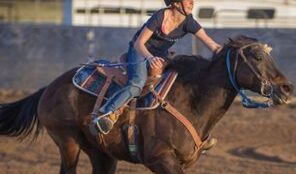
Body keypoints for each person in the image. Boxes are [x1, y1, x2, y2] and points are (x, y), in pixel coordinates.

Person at [95, 0, 222, 134]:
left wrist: (228, 52)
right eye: (188, 0)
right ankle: (106, 113)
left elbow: (212, 45)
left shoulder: (189, 22)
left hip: (160, 55)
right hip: (140, 51)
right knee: (137, 83)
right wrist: (150, 57)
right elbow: (139, 43)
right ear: (176, 4)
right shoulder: (159, 16)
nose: (192, 3)